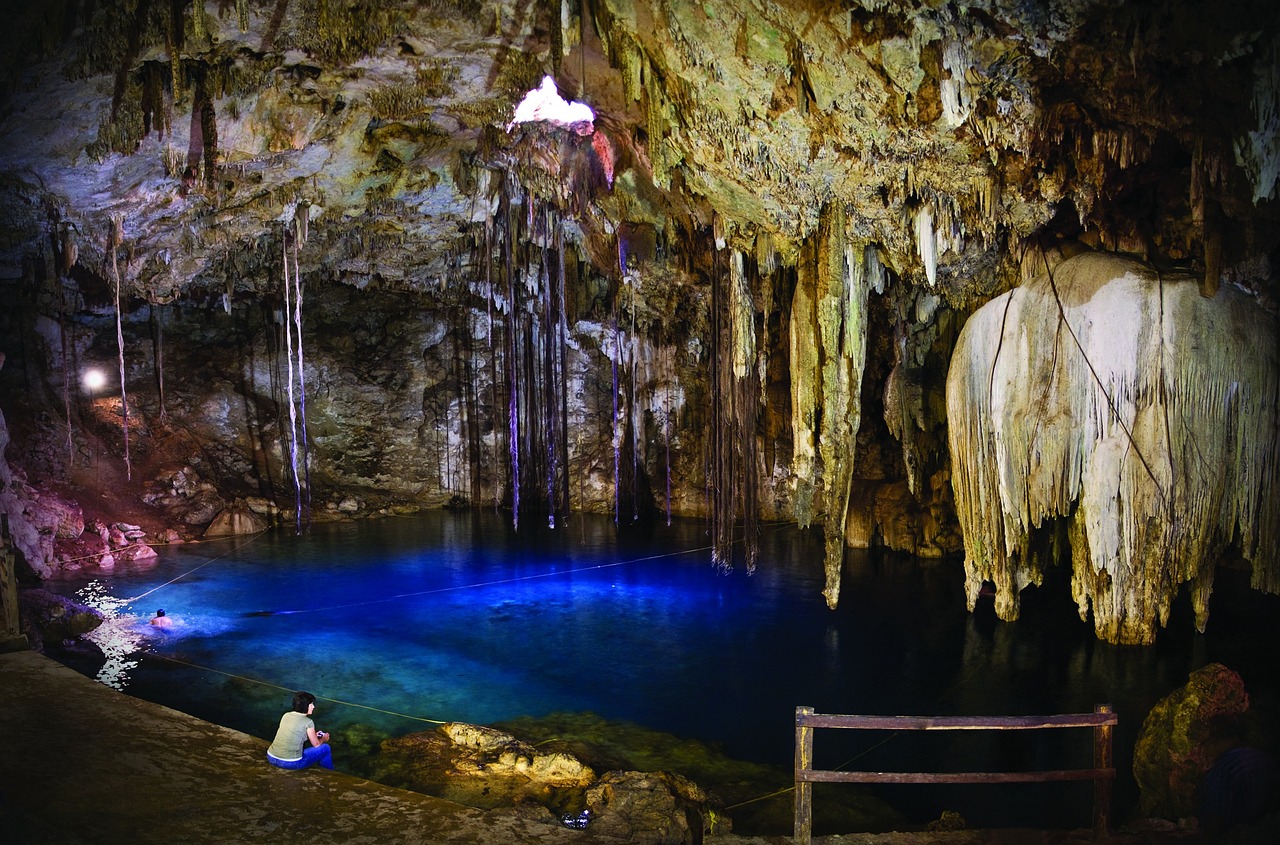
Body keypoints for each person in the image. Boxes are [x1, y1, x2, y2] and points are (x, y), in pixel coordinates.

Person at [266, 691, 334, 770]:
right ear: (305, 706)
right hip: (290, 763)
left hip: (271, 757)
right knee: (326, 748)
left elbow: (295, 734)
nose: (313, 707)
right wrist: (324, 739)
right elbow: (316, 744)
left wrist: (313, 735)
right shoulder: (308, 722)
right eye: (311, 704)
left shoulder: (286, 715)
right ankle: (328, 772)